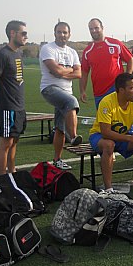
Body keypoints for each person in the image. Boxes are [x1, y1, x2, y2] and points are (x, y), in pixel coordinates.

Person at [39, 21, 83, 169]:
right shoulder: (47, 49)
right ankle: (74, 137)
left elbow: (79, 74)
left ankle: (57, 160)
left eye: (65, 32)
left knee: (59, 128)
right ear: (55, 33)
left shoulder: (72, 52)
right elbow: (55, 71)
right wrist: (69, 70)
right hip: (50, 88)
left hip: (66, 91)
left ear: (69, 34)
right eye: (59, 32)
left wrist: (63, 71)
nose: (62, 35)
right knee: (71, 101)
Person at [0, 20, 28, 175]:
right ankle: (2, 176)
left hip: (19, 105)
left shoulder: (18, 53)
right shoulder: (2, 55)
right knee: (6, 142)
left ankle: (12, 171)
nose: (26, 36)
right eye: (23, 33)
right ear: (13, 33)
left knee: (15, 140)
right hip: (7, 106)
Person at [79, 18, 133, 108]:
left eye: (96, 28)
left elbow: (130, 59)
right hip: (99, 92)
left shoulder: (115, 44)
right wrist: (82, 91)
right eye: (91, 29)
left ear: (102, 28)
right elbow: (84, 72)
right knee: (103, 120)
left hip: (116, 88)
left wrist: (127, 78)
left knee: (119, 120)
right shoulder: (87, 51)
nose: (94, 31)